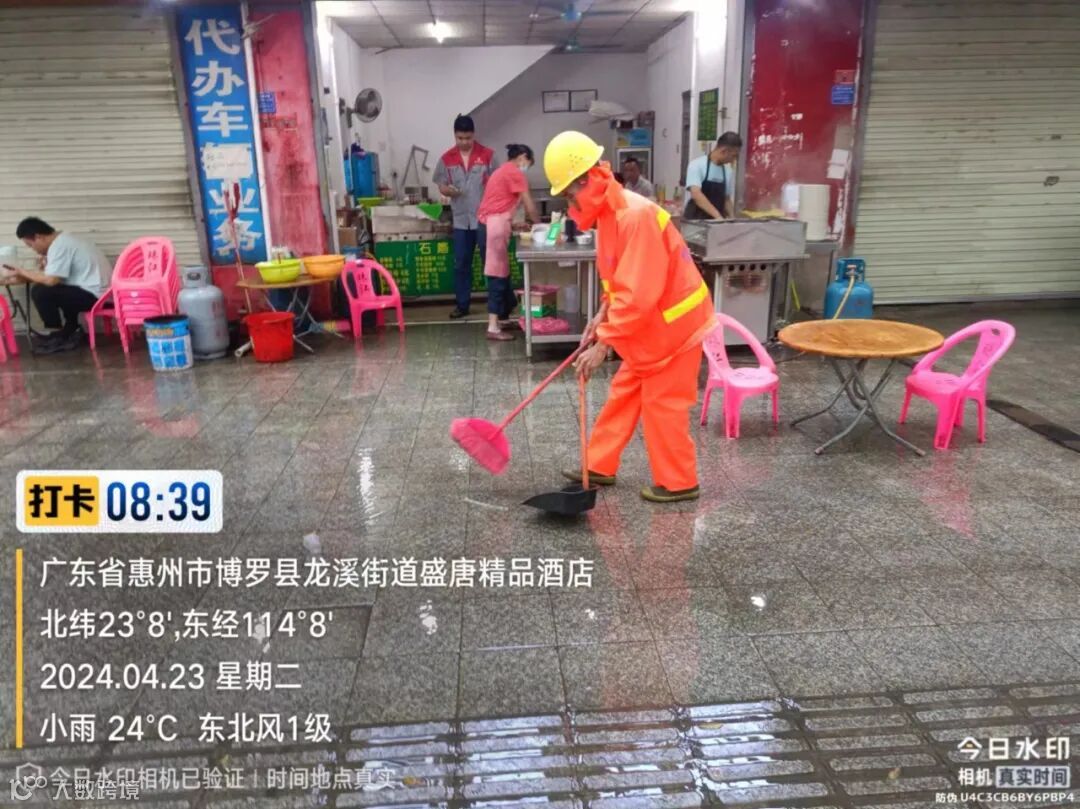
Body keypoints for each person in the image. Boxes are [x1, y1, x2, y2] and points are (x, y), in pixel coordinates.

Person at [544, 131, 716, 503]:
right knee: (623, 394)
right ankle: (599, 465)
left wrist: (603, 345)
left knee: (663, 404)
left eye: (570, 195)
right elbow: (619, 280)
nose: (570, 204)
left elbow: (638, 294)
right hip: (652, 328)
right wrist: (601, 315)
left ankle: (679, 482)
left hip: (676, 328)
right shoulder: (610, 215)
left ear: (587, 180)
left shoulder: (635, 216)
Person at [10, 217, 111, 353]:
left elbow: (51, 280)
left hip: (97, 297)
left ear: (39, 237)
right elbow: (57, 276)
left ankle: (58, 334)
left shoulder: (59, 246)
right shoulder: (64, 240)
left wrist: (22, 271)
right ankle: (70, 329)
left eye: (31, 245)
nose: (33, 249)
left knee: (41, 291)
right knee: (60, 290)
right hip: (100, 292)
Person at [433, 114, 497, 319]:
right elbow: (441, 185)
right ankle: (462, 305)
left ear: (474, 134)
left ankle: (499, 304)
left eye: (468, 138)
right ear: (455, 135)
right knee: (461, 263)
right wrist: (447, 191)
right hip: (461, 220)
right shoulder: (446, 159)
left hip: (485, 219)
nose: (464, 142)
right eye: (460, 138)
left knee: (491, 262)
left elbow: (499, 182)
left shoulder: (487, 155)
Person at [476, 144, 540, 341]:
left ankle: (502, 319)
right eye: (529, 163)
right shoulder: (515, 173)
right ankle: (493, 327)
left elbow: (497, 205)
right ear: (522, 157)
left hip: (487, 226)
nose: (527, 168)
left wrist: (514, 225)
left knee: (503, 275)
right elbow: (529, 205)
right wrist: (540, 226)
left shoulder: (501, 171)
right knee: (497, 275)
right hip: (494, 228)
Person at [684, 131, 741, 220]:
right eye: (733, 156)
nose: (734, 160)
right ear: (724, 151)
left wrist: (732, 218)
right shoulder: (697, 165)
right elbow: (696, 194)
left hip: (716, 222)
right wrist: (717, 216)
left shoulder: (727, 170)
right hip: (696, 221)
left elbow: (726, 199)